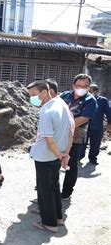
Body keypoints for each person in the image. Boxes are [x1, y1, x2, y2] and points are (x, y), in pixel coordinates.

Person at [27, 81, 74, 233]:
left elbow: (49, 139)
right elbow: (71, 130)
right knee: (54, 187)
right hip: (56, 155)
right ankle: (58, 218)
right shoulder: (61, 104)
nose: (32, 98)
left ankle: (49, 223)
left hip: (45, 156)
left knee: (44, 190)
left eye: (34, 95)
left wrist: (60, 155)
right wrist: (64, 153)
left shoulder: (46, 112)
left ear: (44, 93)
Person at [60, 74, 98, 200]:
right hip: (58, 133)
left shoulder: (90, 101)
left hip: (76, 135)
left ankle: (66, 193)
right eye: (78, 86)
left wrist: (59, 125)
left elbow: (83, 119)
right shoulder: (64, 96)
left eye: (85, 86)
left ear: (89, 87)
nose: (81, 88)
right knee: (52, 162)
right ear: (73, 85)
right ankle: (49, 190)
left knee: (71, 163)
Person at [80, 84, 111, 165]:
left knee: (95, 144)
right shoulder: (84, 99)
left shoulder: (103, 100)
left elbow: (108, 112)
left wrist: (109, 123)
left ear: (96, 91)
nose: (87, 92)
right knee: (81, 143)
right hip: (84, 126)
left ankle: (93, 158)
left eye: (90, 90)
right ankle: (79, 157)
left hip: (97, 127)